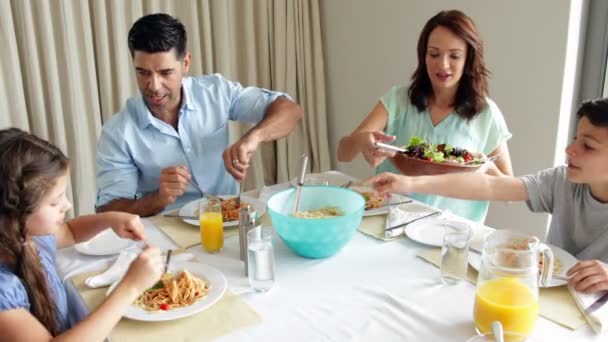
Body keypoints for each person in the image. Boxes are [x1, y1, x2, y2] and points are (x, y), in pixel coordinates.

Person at [364, 98, 608, 294]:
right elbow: (490, 187)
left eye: (588, 146)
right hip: (551, 292)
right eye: (576, 139)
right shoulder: (561, 180)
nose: (569, 150)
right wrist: (408, 182)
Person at [96, 13, 303, 216]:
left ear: (186, 63)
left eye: (165, 73)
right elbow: (107, 210)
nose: (154, 86)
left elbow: (290, 110)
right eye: (143, 73)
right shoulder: (118, 132)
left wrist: (253, 138)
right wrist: (158, 198)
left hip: (228, 218)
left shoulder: (215, 92)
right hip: (167, 231)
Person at [337, 10, 513, 222]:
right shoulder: (398, 99)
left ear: (469, 59)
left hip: (450, 236)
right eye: (434, 54)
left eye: (454, 56)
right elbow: (342, 153)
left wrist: (483, 166)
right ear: (423, 55)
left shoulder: (486, 114)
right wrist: (361, 141)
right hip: (390, 224)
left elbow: (509, 193)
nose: (443, 65)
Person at [0, 128, 163, 340]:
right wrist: (130, 287)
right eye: (54, 202)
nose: (67, 205)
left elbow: (70, 232)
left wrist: (110, 219)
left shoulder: (26, 236)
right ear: (14, 213)